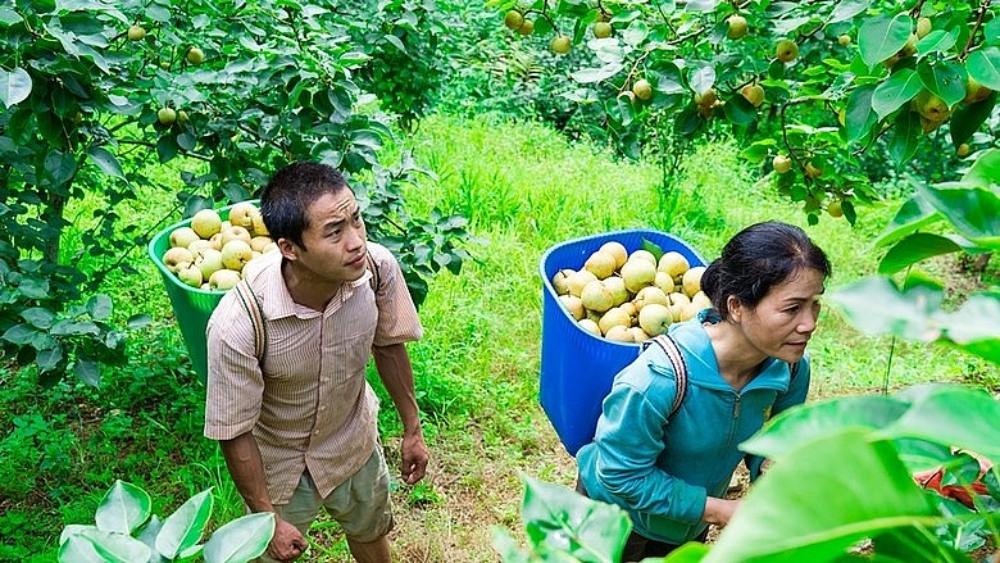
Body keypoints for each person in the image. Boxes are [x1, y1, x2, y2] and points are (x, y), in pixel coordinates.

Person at [203, 162, 429, 563]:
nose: (356, 241)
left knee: (371, 532)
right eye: (334, 232)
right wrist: (266, 515)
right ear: (289, 248)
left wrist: (412, 426)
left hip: (352, 441)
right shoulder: (239, 324)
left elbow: (390, 346)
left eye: (355, 220)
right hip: (277, 465)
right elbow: (233, 429)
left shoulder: (376, 270)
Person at [575, 221, 831, 561]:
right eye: (791, 308)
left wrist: (775, 478)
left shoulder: (790, 368)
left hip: (688, 525)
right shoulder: (659, 380)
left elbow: (778, 437)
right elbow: (621, 476)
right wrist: (721, 510)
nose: (809, 323)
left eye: (815, 303)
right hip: (615, 523)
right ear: (737, 306)